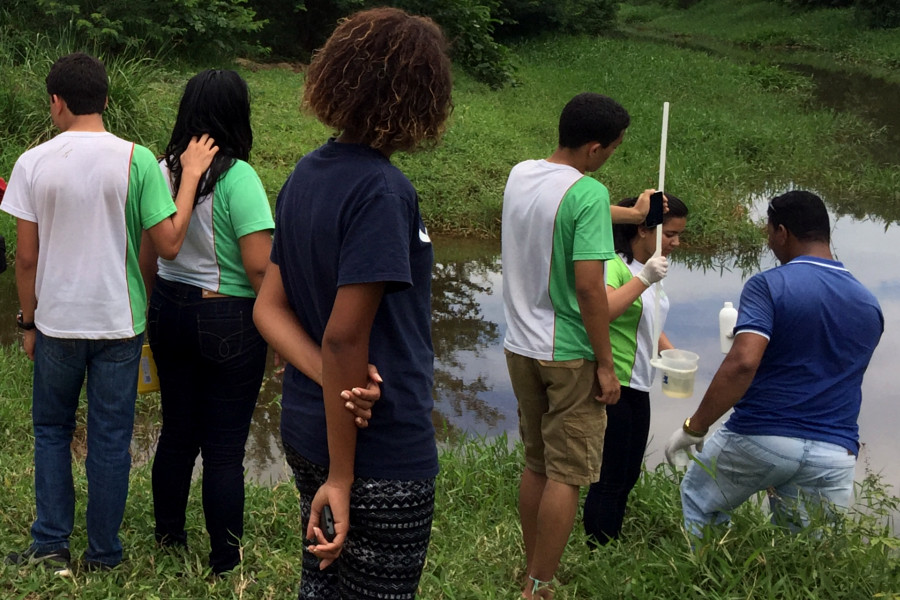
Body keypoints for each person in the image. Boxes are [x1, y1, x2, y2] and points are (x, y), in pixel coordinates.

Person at [251, 7, 453, 599]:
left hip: (310, 426)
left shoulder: (306, 173)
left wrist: (324, 377)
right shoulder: (384, 192)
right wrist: (343, 475)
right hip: (376, 446)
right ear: (420, 98)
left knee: (324, 583)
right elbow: (343, 338)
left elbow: (269, 308)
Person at [1, 52, 216, 572]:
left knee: (52, 430)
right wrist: (189, 176)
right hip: (119, 326)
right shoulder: (137, 160)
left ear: (56, 103)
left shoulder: (32, 162)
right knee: (110, 438)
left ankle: (51, 544)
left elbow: (25, 259)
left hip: (56, 325)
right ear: (105, 98)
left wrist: (28, 323)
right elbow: (167, 244)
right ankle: (104, 555)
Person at [665, 190, 883, 538]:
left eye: (769, 233)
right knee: (807, 554)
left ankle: (705, 581)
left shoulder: (769, 285)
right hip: (834, 449)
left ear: (782, 232)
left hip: (762, 434)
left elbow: (743, 363)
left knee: (700, 501)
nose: (769, 242)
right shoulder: (868, 304)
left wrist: (695, 427)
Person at [502, 92, 648, 599]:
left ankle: (532, 567)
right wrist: (606, 365)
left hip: (520, 344)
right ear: (593, 147)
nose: (611, 156)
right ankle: (540, 588)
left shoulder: (522, 173)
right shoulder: (586, 192)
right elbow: (590, 287)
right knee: (567, 472)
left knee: (537, 462)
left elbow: (568, 204)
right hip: (567, 351)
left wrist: (632, 214)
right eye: (612, 149)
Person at [138, 69, 274, 575]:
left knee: (177, 432)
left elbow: (149, 255)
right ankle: (225, 559)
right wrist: (279, 328)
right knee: (222, 449)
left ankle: (169, 536)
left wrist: (149, 315)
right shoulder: (240, 177)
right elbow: (260, 267)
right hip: (229, 317)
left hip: (168, 309)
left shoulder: (158, 168)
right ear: (237, 116)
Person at [583, 194, 688, 546]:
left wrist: (672, 354)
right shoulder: (614, 265)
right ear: (643, 230)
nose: (676, 243)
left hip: (640, 382)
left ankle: (610, 543)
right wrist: (644, 278)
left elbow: (646, 320)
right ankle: (599, 548)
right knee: (610, 477)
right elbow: (605, 310)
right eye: (670, 234)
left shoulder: (649, 270)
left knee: (628, 475)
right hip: (616, 380)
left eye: (678, 235)